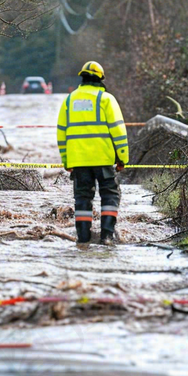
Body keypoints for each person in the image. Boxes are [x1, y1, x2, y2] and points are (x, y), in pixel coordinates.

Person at [56, 61, 129, 245]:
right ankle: (107, 237)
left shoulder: (69, 100)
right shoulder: (106, 99)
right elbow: (118, 131)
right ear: (100, 79)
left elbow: (61, 134)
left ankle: (83, 239)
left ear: (82, 78)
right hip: (103, 159)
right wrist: (122, 158)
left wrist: (66, 161)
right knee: (110, 195)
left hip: (79, 161)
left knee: (82, 198)